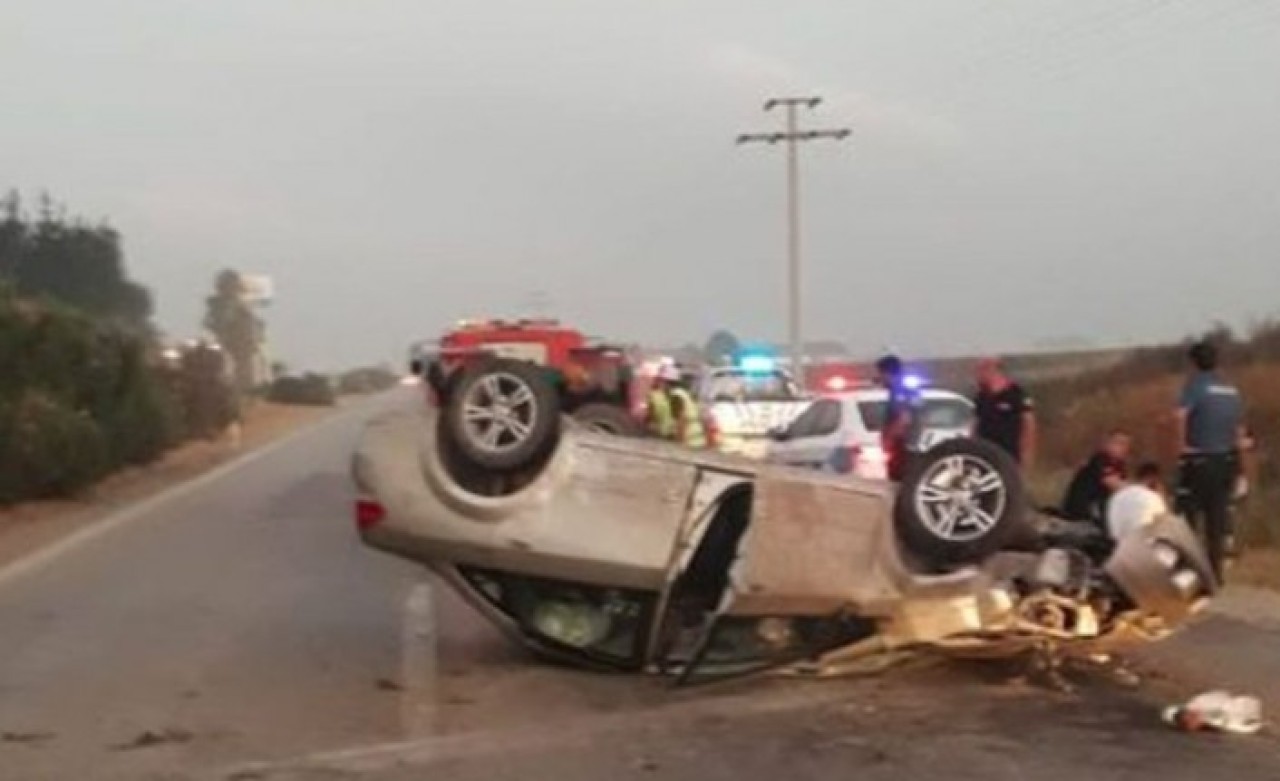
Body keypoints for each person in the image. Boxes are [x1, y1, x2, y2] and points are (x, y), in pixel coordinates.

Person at [1172, 341, 1245, 582]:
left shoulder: (1195, 387)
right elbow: (1238, 428)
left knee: (1188, 516)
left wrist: (1182, 446)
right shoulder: (1230, 390)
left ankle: (1191, 572)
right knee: (1217, 518)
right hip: (1225, 459)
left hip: (1199, 458)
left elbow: (1180, 416)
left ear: (1193, 362)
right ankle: (1216, 573)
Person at [972, 357, 1037, 467]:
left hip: (1008, 454)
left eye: (981, 370)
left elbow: (1028, 425)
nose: (978, 375)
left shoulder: (1016, 394)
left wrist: (1026, 452)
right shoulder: (981, 396)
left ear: (993, 370)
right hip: (985, 453)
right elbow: (976, 422)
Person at [1060, 430, 1133, 526]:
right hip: (1080, 514)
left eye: (1125, 445)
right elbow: (1112, 483)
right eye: (1118, 443)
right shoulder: (1100, 460)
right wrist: (1138, 490)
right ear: (1108, 444)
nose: (1122, 448)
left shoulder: (1120, 466)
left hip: (1100, 513)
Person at [875, 354, 920, 481]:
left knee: (898, 482)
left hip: (901, 446)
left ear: (887, 373)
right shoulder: (908, 389)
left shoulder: (898, 390)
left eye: (880, 374)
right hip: (909, 446)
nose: (879, 378)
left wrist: (889, 438)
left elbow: (903, 418)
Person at [646, 363, 707, 448]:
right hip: (696, 439)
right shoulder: (684, 394)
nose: (661, 384)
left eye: (662, 381)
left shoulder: (676, 396)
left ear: (667, 382)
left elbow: (681, 422)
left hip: (687, 440)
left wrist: (679, 444)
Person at [1106, 462, 1168, 542]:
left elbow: (1113, 532)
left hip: (1120, 547)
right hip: (1146, 545)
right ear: (1153, 480)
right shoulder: (1153, 498)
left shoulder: (1116, 497)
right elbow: (1163, 523)